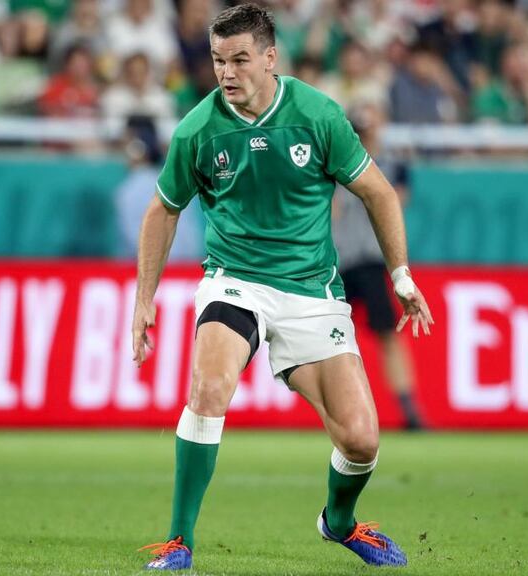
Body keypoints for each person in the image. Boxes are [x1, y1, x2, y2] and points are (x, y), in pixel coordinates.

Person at [133, 4, 433, 570]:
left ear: (271, 58)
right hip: (234, 280)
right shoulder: (198, 128)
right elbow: (162, 210)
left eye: (241, 59)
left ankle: (339, 523)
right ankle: (179, 540)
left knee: (362, 440)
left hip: (310, 291)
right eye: (220, 60)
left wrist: (401, 275)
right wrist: (142, 300)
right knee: (210, 386)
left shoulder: (317, 115)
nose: (227, 72)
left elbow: (380, 192)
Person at [332, 104, 424, 430]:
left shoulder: (385, 165)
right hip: (341, 259)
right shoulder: (335, 164)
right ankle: (342, 409)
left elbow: (397, 199)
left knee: (385, 335)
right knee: (329, 337)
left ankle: (409, 410)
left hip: (368, 260)